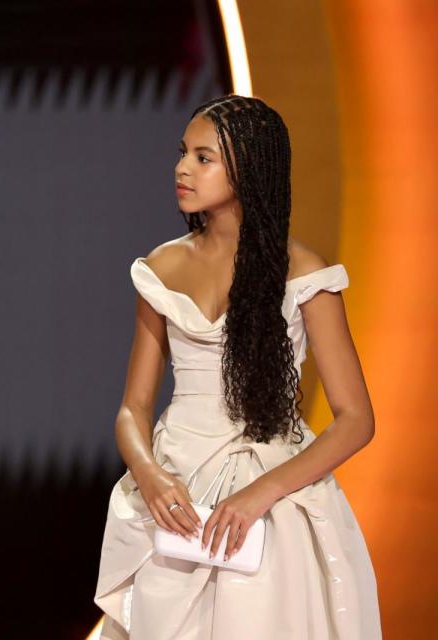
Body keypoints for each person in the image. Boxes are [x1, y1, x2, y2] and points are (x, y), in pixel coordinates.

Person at [94, 95, 380, 639]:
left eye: (204, 158)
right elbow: (133, 407)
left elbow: (356, 418)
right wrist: (151, 476)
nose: (182, 168)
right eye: (183, 153)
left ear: (248, 168)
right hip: (180, 486)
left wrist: (262, 493)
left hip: (272, 492)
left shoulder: (304, 273)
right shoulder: (162, 267)